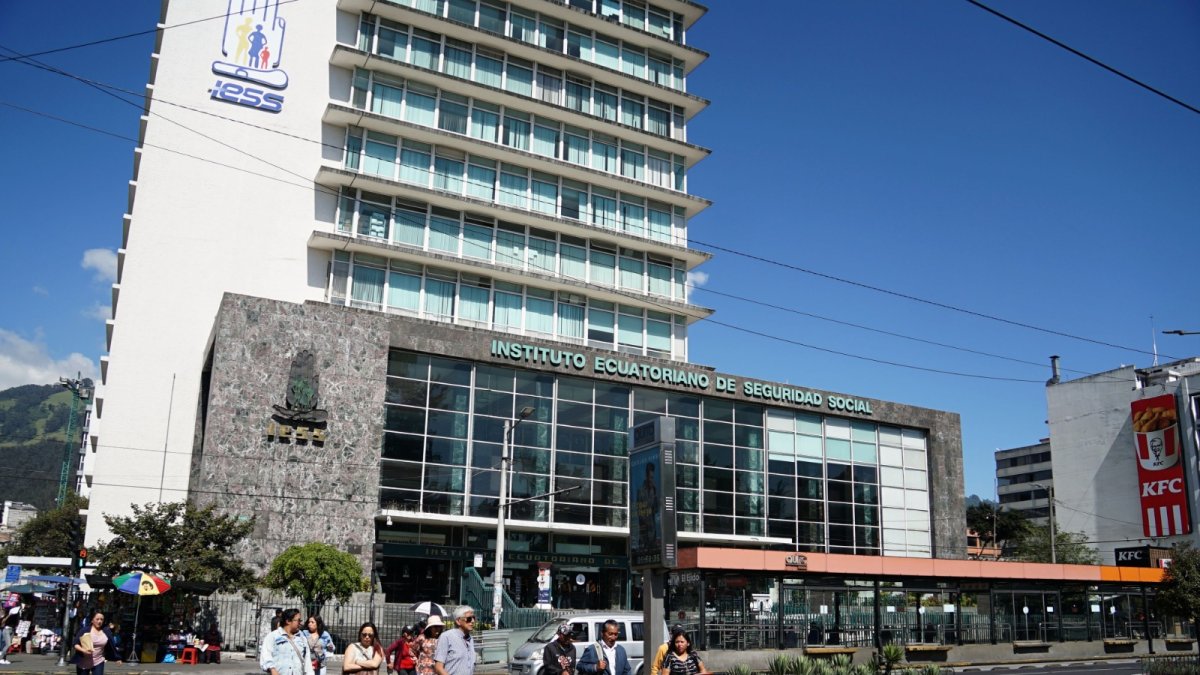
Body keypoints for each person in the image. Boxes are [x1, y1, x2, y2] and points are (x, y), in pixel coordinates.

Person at [259, 608, 314, 675]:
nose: (300, 623)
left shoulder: (302, 638)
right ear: (288, 621)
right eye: (298, 620)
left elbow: (307, 661)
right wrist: (272, 669)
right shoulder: (273, 636)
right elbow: (266, 656)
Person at [72, 611, 121, 675]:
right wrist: (84, 650)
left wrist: (117, 658)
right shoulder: (84, 630)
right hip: (83, 661)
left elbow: (112, 645)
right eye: (97, 619)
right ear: (92, 620)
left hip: (98, 661)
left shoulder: (106, 631)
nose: (99, 621)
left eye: (101, 619)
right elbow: (75, 644)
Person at [432, 606, 475, 675]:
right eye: (469, 619)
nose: (472, 621)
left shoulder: (470, 639)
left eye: (474, 618)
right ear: (458, 621)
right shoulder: (447, 637)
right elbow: (438, 667)